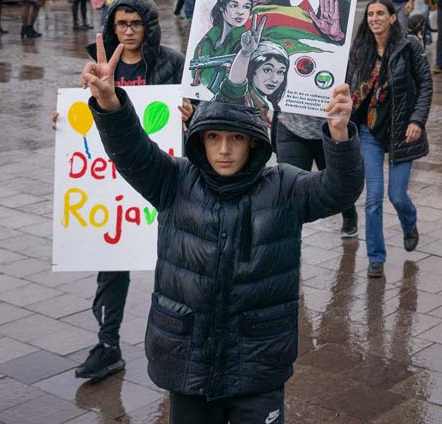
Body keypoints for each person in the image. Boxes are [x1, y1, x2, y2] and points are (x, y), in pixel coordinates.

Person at [82, 38, 362, 422]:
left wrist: (340, 136)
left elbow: (340, 190)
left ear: (254, 143)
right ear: (200, 141)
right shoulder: (174, 180)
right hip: (188, 360)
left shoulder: (284, 187)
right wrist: (110, 104)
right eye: (213, 137)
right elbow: (132, 151)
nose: (224, 150)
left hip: (258, 363)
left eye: (236, 138)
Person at [71, 0, 188, 383]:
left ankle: (178, 345)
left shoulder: (172, 64)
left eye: (136, 23)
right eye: (121, 24)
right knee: (112, 266)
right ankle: (107, 344)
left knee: (174, 268)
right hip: (113, 187)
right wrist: (67, 116)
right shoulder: (102, 64)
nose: (128, 31)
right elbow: (84, 114)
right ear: (111, 26)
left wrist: (191, 114)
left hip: (160, 178)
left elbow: (195, 116)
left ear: (149, 26)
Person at [347, 0, 433, 279]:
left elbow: (425, 85)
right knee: (373, 198)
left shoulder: (409, 46)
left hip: (401, 131)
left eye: (380, 14)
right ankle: (376, 257)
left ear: (393, 18)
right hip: (369, 131)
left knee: (397, 195)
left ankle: (409, 224)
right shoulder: (360, 48)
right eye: (370, 14)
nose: (374, 19)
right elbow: (349, 83)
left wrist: (416, 121)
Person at [189, 0, 254, 94]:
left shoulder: (247, 45)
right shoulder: (205, 43)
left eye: (246, 7)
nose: (240, 12)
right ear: (221, 6)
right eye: (234, 5)